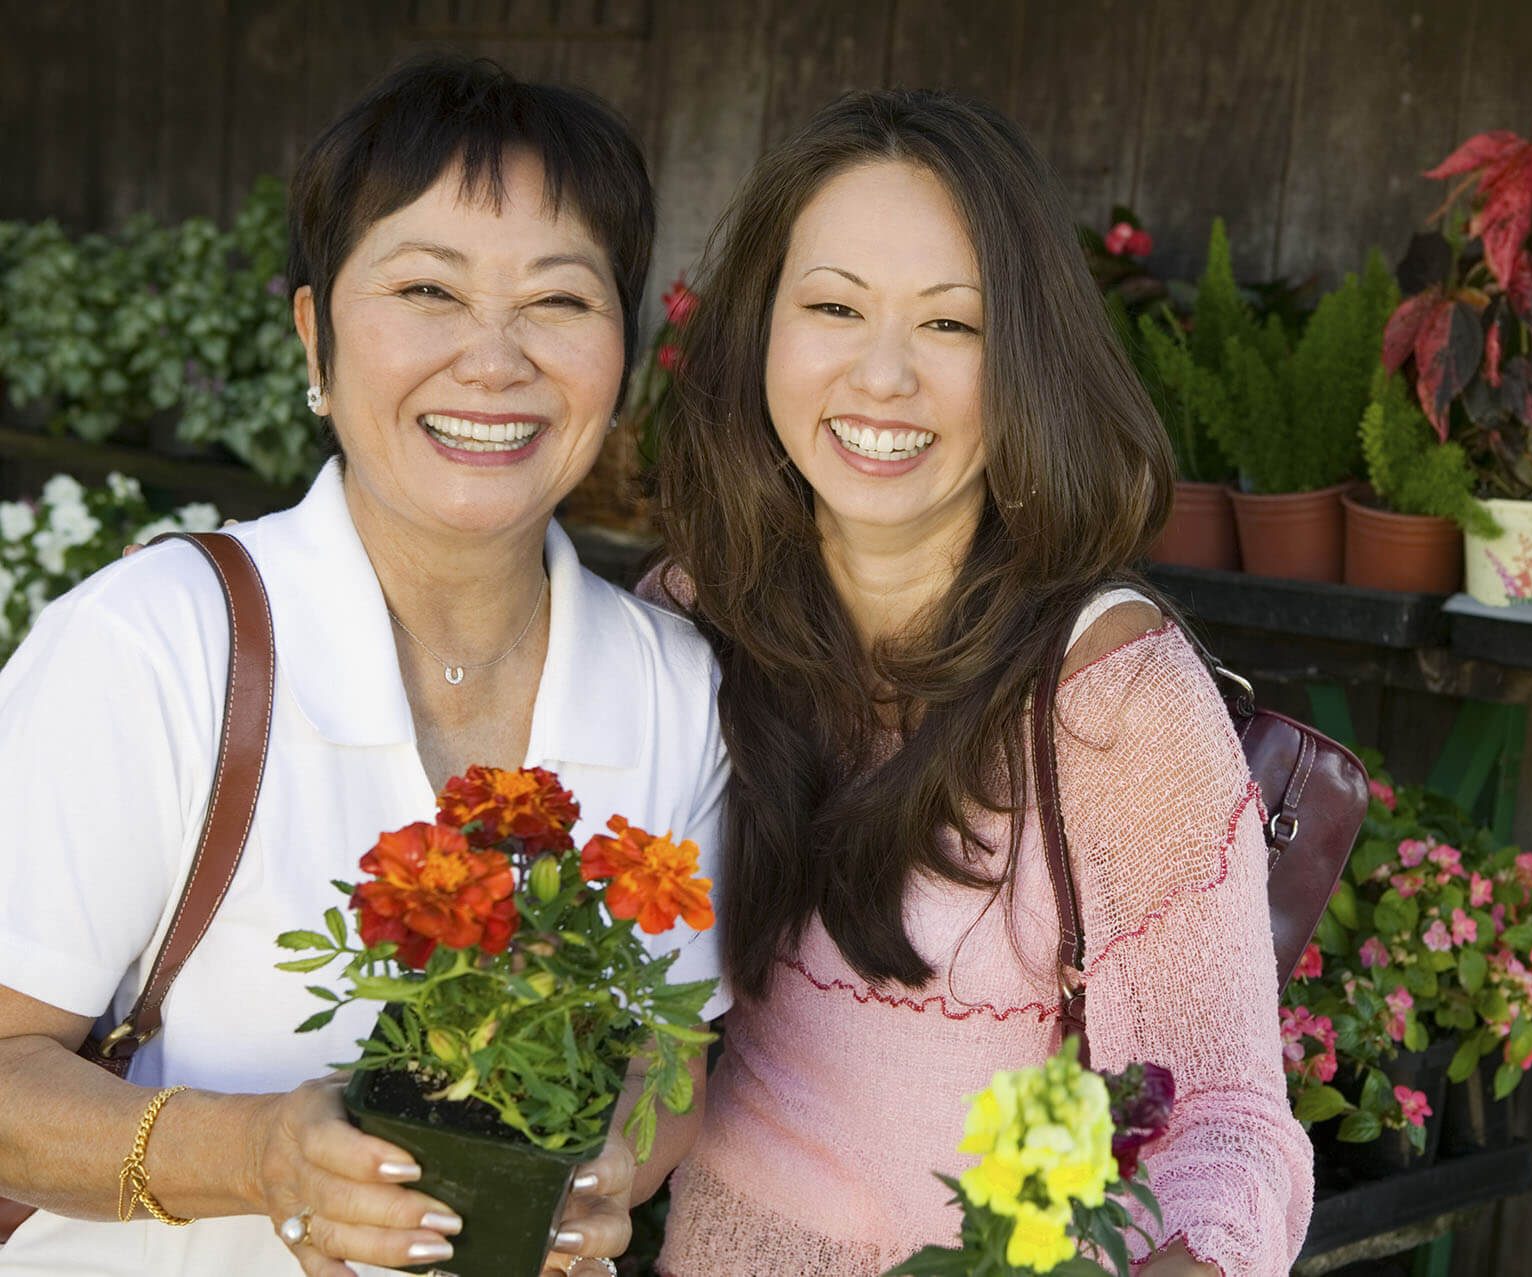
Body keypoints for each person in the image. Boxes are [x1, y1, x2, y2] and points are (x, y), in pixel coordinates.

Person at [0, 57, 728, 1277]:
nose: (494, 359)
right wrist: (258, 1156)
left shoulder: (671, 685)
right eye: (427, 288)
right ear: (316, 338)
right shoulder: (158, 643)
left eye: (557, 300)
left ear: (626, 350)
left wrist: (600, 1177)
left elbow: (675, 1039)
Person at [645, 89, 1311, 1276]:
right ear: (759, 331)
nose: (884, 374)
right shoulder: (690, 620)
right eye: (835, 307)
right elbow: (633, 1036)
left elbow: (1229, 1123)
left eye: (952, 326)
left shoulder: (1109, 691)